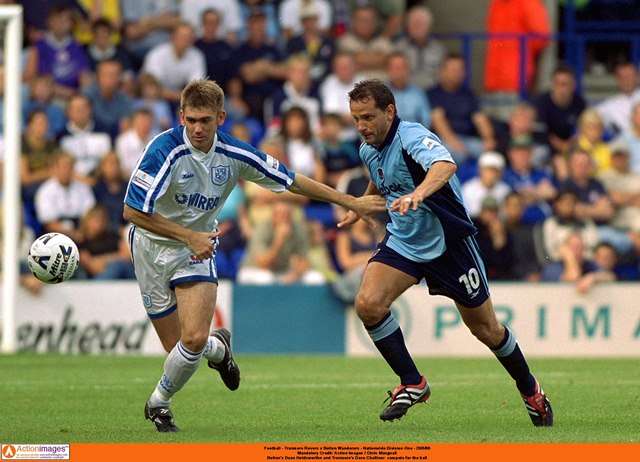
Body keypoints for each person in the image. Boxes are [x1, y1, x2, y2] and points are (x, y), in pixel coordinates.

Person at [122, 79, 385, 432]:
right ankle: (220, 350)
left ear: (221, 118)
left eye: (206, 121)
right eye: (192, 120)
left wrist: (348, 200)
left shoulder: (235, 154)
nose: (198, 128)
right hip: (151, 249)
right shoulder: (163, 149)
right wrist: (188, 235)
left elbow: (292, 180)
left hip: (196, 252)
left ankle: (158, 403)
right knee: (181, 350)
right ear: (181, 116)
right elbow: (132, 211)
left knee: (192, 340)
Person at [340, 79, 553, 425]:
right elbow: (380, 177)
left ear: (390, 111)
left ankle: (531, 390)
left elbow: (445, 165)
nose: (361, 126)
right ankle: (413, 382)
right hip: (405, 241)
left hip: (448, 242)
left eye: (367, 117)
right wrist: (361, 205)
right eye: (355, 119)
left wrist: (420, 194)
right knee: (368, 304)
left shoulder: (412, 136)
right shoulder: (368, 148)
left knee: (487, 330)